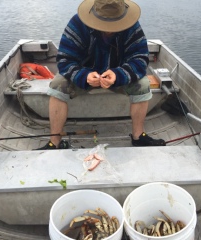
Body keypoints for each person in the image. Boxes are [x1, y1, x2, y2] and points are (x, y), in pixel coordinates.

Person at [37, 0, 165, 150]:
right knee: (57, 85)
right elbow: (65, 59)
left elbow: (140, 58)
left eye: (114, 23)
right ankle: (55, 141)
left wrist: (118, 75)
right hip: (83, 76)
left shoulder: (132, 25)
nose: (109, 29)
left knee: (143, 84)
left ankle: (138, 136)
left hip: (118, 78)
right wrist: (84, 76)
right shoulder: (78, 23)